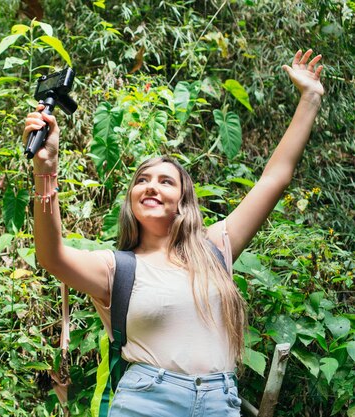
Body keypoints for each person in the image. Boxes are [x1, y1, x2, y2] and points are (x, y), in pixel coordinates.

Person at [22, 49, 324, 416]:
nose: (151, 186)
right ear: (131, 199)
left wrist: (310, 97)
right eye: (142, 181)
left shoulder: (216, 247)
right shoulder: (117, 268)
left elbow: (275, 178)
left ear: (183, 201)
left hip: (219, 402)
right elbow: (51, 256)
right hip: (147, 400)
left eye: (166, 181)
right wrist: (47, 169)